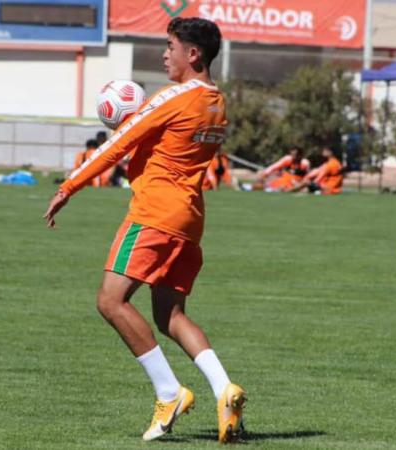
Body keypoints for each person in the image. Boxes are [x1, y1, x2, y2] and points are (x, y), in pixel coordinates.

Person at [43, 17, 246, 443]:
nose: (164, 53)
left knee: (110, 301)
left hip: (155, 215)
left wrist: (69, 186)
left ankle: (168, 392)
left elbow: (119, 144)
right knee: (169, 315)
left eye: (171, 45)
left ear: (194, 54)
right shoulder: (217, 101)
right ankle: (224, 388)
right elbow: (163, 147)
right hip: (190, 220)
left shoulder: (174, 97)